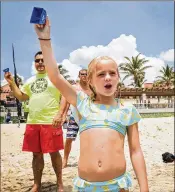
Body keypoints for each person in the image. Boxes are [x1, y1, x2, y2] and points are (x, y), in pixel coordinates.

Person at [34, 17, 149, 192]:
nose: (108, 77)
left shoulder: (127, 110)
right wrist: (44, 39)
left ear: (118, 77)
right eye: (101, 74)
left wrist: (144, 188)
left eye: (112, 73)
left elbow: (136, 151)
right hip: (85, 186)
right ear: (91, 81)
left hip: (117, 186)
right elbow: (55, 76)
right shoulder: (82, 103)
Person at [4, 51, 65, 192]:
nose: (40, 63)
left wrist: (60, 113)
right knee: (36, 155)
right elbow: (21, 97)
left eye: (43, 60)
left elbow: (65, 96)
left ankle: (60, 183)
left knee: (54, 153)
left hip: (51, 122)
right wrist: (12, 83)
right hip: (33, 122)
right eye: (37, 60)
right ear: (35, 63)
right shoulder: (30, 81)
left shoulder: (55, 77)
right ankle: (37, 184)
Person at [62, 69, 91, 168]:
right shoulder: (74, 87)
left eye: (86, 74)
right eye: (82, 74)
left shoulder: (92, 88)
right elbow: (67, 101)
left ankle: (86, 160)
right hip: (74, 117)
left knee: (88, 140)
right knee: (69, 138)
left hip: (87, 118)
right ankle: (65, 160)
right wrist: (64, 114)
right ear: (79, 75)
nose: (84, 76)